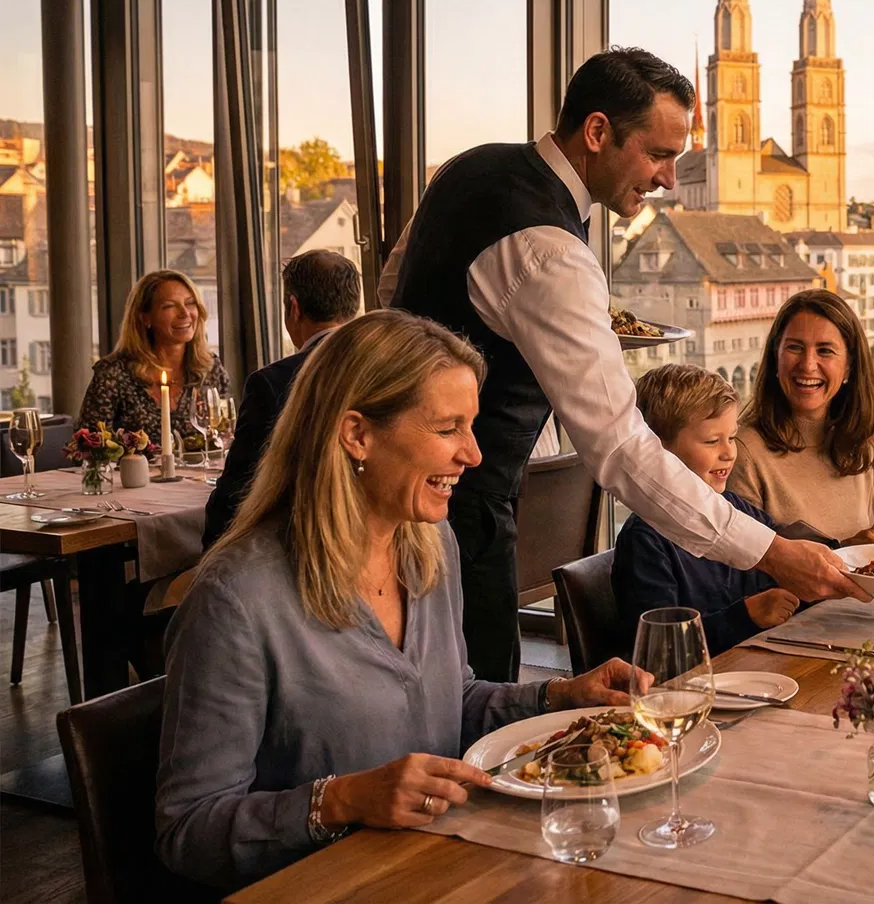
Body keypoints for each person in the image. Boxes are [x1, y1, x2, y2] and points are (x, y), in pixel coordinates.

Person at [384, 46, 865, 681]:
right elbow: (620, 448)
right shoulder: (549, 250)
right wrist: (771, 552)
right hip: (459, 510)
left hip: (391, 496)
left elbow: (395, 300)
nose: (669, 178)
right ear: (598, 131)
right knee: (475, 702)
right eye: (659, 154)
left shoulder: (466, 170)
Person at [155, 312, 646, 890]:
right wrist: (340, 800)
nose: (474, 454)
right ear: (357, 434)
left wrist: (560, 695)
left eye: (472, 426)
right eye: (448, 429)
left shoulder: (429, 543)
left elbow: (446, 702)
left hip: (436, 867)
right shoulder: (237, 599)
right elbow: (185, 833)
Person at [613, 364, 799, 655]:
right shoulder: (645, 540)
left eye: (732, 437)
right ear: (658, 452)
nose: (729, 452)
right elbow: (660, 648)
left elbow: (786, 554)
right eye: (712, 441)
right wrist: (747, 615)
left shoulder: (737, 510)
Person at [203, 250, 362, 548]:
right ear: (354, 306)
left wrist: (210, 557)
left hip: (297, 550)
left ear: (293, 307)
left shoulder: (274, 382)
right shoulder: (385, 369)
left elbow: (240, 491)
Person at [728, 289, 874, 544]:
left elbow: (868, 544)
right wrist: (845, 551)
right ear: (776, 357)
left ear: (849, 366)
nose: (808, 365)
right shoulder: (744, 452)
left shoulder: (857, 444)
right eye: (795, 348)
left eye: (825, 351)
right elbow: (745, 574)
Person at [77, 269, 230, 443]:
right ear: (145, 318)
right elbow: (87, 447)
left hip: (202, 470)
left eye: (190, 303)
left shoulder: (210, 369)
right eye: (169, 306)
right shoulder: (113, 374)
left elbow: (225, 437)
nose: (185, 313)